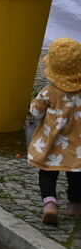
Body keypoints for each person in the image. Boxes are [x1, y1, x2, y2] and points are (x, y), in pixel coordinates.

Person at [28, 37, 81, 225]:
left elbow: (36, 111)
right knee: (76, 173)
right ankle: (75, 204)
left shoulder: (49, 91)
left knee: (47, 172)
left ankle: (50, 203)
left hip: (51, 142)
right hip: (77, 145)